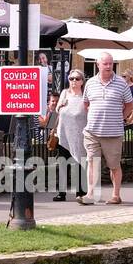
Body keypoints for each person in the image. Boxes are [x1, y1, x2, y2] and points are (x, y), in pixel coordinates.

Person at [81, 52, 133, 205]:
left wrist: (120, 117)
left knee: (114, 165)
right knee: (92, 162)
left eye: (111, 63)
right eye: (105, 63)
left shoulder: (121, 83)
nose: (109, 66)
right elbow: (85, 103)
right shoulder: (90, 83)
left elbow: (130, 104)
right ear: (98, 64)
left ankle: (116, 195)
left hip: (113, 132)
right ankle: (90, 194)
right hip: (92, 131)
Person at [53, 69, 89, 201]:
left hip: (79, 134)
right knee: (63, 164)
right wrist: (60, 105)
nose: (74, 81)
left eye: (77, 78)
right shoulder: (64, 93)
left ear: (82, 81)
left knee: (80, 163)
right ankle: (61, 193)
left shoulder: (85, 96)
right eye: (71, 78)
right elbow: (57, 110)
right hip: (63, 135)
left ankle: (81, 192)